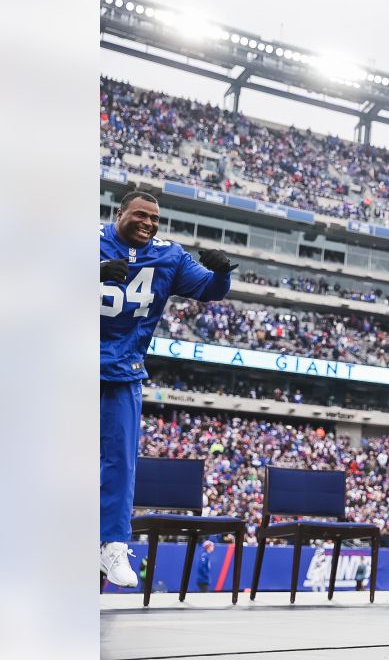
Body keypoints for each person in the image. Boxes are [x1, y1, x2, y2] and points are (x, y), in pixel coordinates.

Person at [100, 191, 236, 587]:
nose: (148, 223)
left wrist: (222, 272)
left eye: (154, 218)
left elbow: (211, 289)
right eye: (139, 215)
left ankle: (111, 544)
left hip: (122, 370)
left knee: (120, 461)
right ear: (118, 213)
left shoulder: (169, 255)